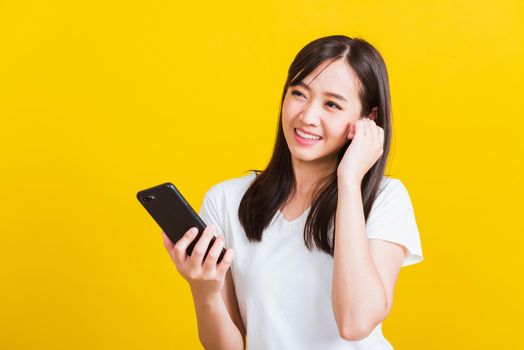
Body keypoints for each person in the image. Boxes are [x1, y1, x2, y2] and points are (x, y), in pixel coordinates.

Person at [162, 35, 423, 350]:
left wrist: (350, 180)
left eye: (332, 104)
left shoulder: (384, 198)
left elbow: (355, 323)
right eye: (299, 93)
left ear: (368, 119)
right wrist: (204, 291)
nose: (307, 117)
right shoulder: (227, 201)